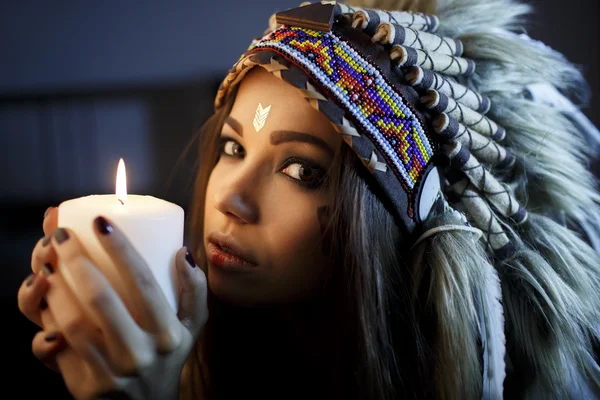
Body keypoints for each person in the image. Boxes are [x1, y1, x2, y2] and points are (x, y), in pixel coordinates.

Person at [17, 0, 600, 398]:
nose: (232, 201)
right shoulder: (204, 351)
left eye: (301, 170)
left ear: (384, 214)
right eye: (231, 146)